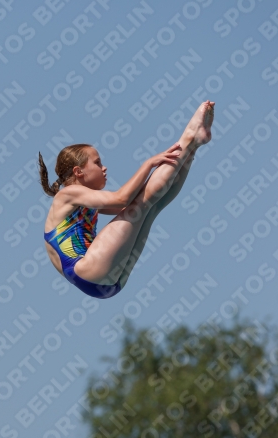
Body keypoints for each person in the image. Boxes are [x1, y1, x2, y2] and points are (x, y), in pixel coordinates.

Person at [39, 100, 215, 299]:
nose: (103, 168)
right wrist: (148, 164)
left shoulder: (84, 203)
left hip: (108, 282)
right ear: (78, 172)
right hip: (88, 270)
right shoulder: (67, 194)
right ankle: (188, 137)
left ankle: (192, 148)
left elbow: (129, 200)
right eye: (97, 163)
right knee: (143, 204)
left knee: (153, 206)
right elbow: (121, 199)